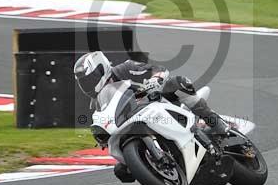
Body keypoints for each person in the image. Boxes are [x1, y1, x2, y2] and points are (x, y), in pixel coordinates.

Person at [73, 51, 230, 137]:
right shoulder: (97, 103)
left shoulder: (125, 68)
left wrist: (156, 79)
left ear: (102, 68)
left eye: (90, 79)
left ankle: (217, 122)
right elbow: (102, 126)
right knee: (121, 171)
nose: (88, 85)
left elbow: (158, 69)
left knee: (179, 83)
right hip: (137, 127)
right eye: (84, 82)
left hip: (159, 102)